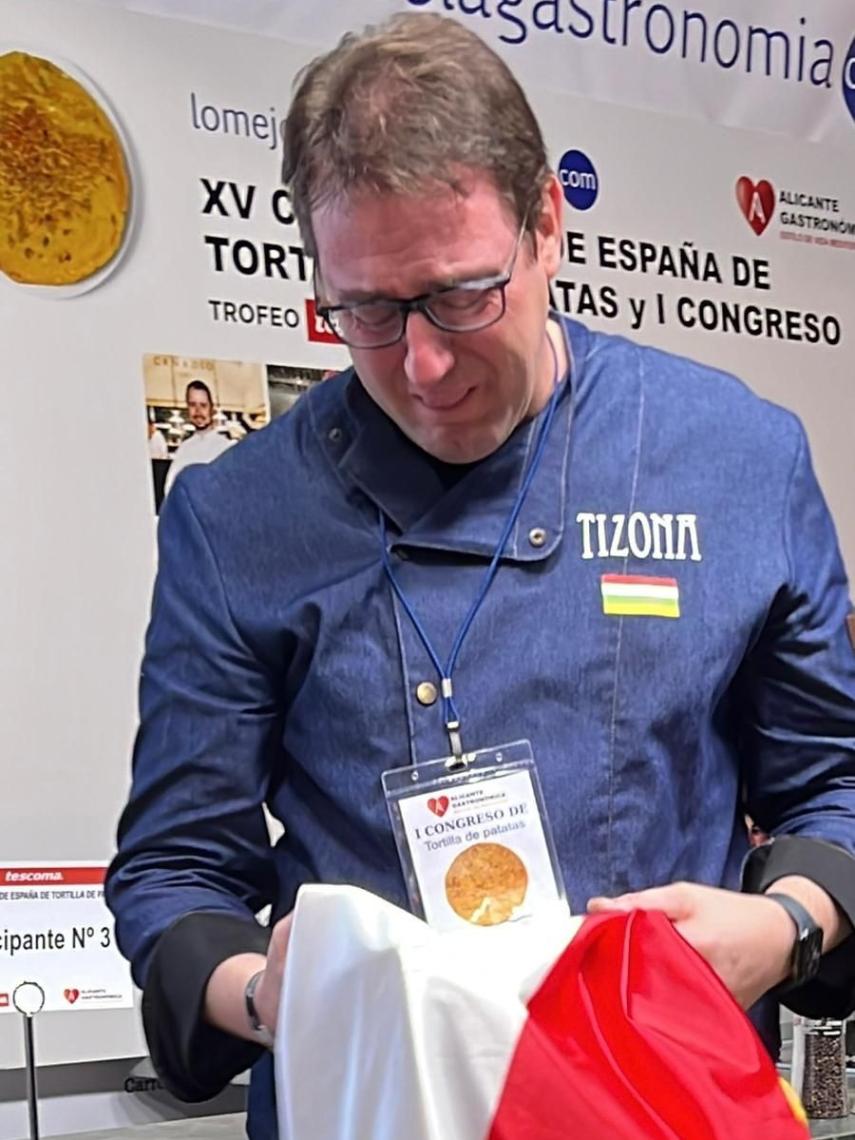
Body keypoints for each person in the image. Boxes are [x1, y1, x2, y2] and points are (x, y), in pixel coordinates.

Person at [106, 13, 855, 1139]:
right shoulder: (237, 517)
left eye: (462, 295)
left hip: (657, 1102)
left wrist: (786, 925)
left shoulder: (734, 459)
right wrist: (271, 992)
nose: (422, 364)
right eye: (366, 311)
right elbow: (175, 870)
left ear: (547, 223)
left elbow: (834, 781)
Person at [163, 379, 234, 494]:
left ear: (211, 408)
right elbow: (170, 490)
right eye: (193, 405)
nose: (198, 411)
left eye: (203, 405)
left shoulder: (225, 447)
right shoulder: (183, 449)